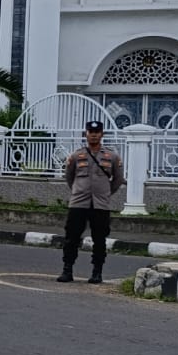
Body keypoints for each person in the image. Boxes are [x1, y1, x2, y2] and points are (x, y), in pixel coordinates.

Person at [58, 119, 123, 284]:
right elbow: (69, 178)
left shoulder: (112, 156)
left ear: (102, 134)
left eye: (97, 132)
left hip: (100, 205)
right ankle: (67, 270)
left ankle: (97, 272)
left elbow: (117, 180)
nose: (93, 135)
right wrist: (78, 191)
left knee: (99, 239)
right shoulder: (76, 155)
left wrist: (106, 193)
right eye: (90, 132)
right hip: (78, 203)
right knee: (71, 238)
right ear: (86, 134)